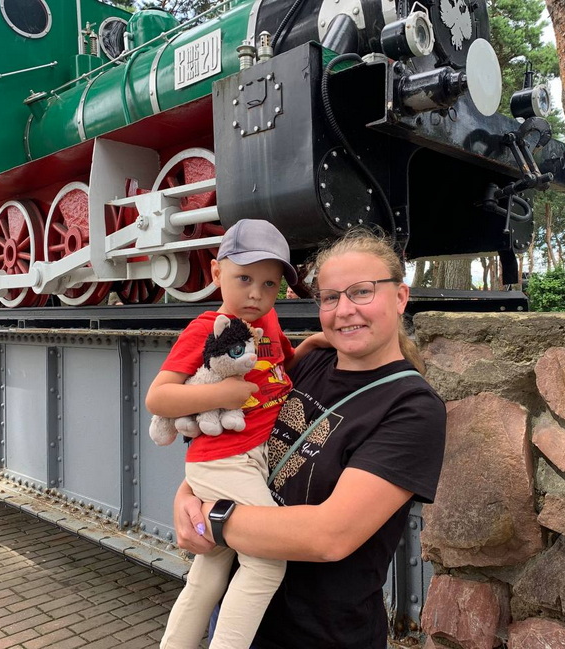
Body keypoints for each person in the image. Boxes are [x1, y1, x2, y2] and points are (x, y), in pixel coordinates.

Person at [173, 228, 447, 649]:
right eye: (330, 297)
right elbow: (244, 435)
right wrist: (187, 494)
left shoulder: (412, 407)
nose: (344, 311)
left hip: (320, 635)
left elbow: (329, 536)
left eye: (362, 292)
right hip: (238, 622)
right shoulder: (311, 361)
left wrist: (209, 518)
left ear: (400, 297)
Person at [146, 219, 325, 649]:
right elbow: (158, 398)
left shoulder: (269, 319)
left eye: (270, 284)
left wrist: (309, 347)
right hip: (223, 460)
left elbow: (277, 372)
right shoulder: (205, 328)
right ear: (215, 273)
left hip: (247, 458)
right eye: (244, 278)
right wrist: (224, 391)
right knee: (267, 562)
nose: (256, 294)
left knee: (210, 569)